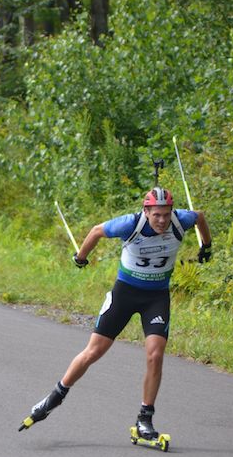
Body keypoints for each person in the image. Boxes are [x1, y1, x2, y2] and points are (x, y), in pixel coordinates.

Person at [19, 186, 212, 439]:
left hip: (156, 298)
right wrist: (81, 257)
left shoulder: (180, 220)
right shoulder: (130, 224)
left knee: (155, 355)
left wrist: (206, 246)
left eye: (166, 214)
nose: (162, 221)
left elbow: (199, 215)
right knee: (94, 352)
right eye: (156, 215)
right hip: (125, 294)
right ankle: (54, 397)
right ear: (146, 211)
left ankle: (145, 418)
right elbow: (97, 230)